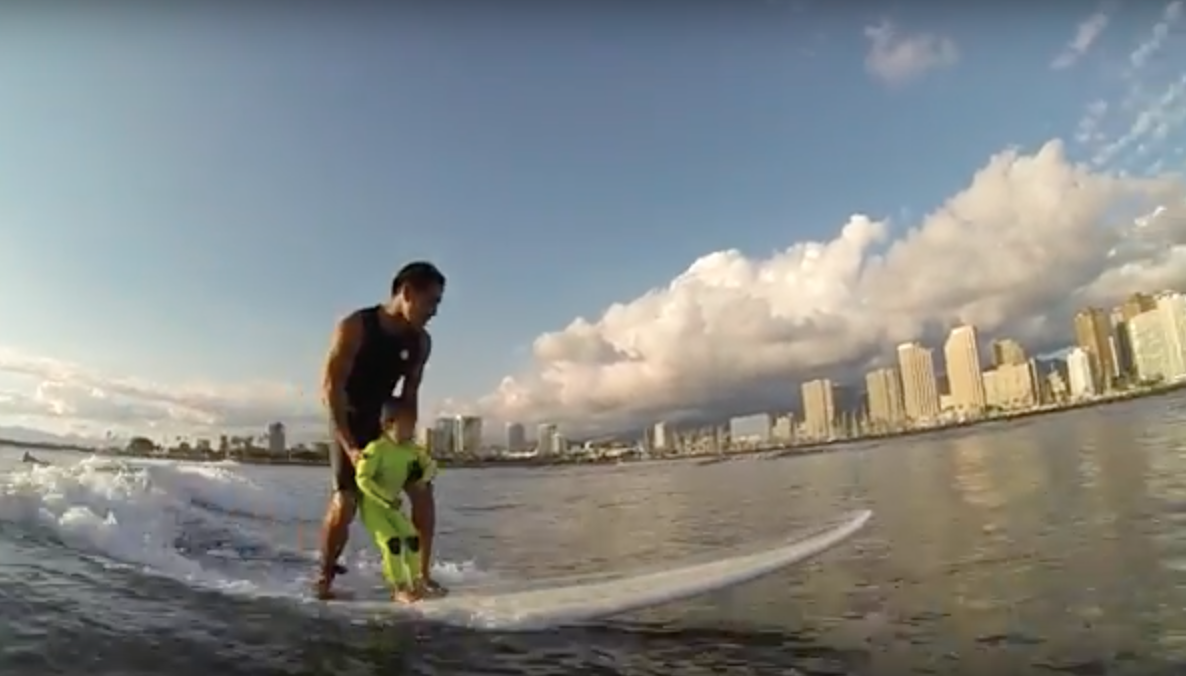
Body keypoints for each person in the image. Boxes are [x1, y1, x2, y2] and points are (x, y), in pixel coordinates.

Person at [315, 260, 446, 600]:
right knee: (345, 502)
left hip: (386, 423)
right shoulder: (356, 326)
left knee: (422, 489)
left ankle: (421, 576)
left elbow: (410, 394)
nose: (434, 311)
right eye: (431, 301)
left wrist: (407, 443)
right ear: (407, 292)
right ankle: (324, 577)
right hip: (349, 417)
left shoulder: (421, 342)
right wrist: (350, 447)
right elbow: (331, 389)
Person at [355, 398, 440, 604]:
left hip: (392, 506)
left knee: (412, 539)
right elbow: (362, 479)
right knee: (392, 542)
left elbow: (431, 465)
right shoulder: (375, 449)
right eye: (406, 424)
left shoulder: (411, 449)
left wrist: (423, 480)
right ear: (388, 425)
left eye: (412, 424)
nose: (411, 428)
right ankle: (398, 588)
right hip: (373, 506)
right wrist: (385, 499)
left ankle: (416, 583)